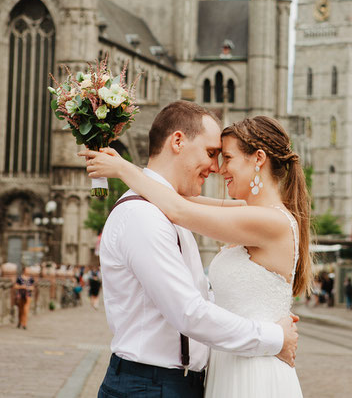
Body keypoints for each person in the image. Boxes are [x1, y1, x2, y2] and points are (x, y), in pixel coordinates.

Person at [80, 102, 301, 398]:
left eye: (225, 157)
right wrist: (276, 337)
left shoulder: (263, 218)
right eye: (212, 154)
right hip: (157, 383)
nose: (217, 168)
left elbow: (180, 208)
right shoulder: (146, 213)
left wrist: (123, 169)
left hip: (233, 373)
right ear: (178, 141)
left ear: (258, 159)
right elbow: (190, 310)